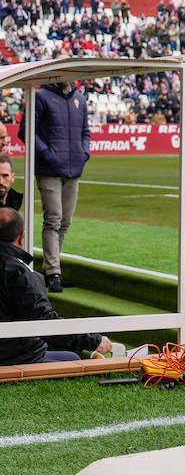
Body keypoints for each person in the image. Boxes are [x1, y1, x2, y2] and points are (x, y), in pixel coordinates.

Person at [0, 208, 111, 364]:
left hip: (10, 349)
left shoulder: (17, 270)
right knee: (72, 359)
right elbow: (44, 322)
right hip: (11, 355)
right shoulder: (18, 272)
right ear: (21, 238)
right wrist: (93, 341)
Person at [27, 82, 90, 293]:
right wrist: (47, 154)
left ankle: (52, 269)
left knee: (65, 221)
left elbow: (85, 131)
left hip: (73, 169)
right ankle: (53, 272)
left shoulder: (79, 99)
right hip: (49, 170)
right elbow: (27, 130)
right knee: (53, 219)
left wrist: (84, 153)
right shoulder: (42, 96)